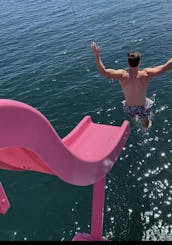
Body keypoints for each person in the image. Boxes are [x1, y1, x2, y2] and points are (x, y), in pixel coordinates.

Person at [91, 41, 172, 130]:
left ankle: (136, 119)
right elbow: (166, 67)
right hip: (143, 106)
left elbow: (103, 72)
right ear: (139, 62)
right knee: (146, 119)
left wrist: (96, 54)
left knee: (134, 116)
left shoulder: (122, 75)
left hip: (130, 107)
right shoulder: (146, 74)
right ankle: (146, 128)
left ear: (128, 63)